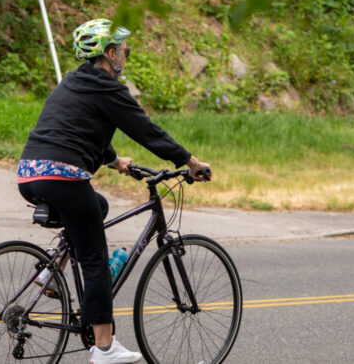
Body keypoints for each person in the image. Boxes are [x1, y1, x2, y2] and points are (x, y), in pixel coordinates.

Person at [17, 18, 211, 364]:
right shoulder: (109, 89)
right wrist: (189, 161)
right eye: (124, 50)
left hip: (30, 175)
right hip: (63, 176)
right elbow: (144, 129)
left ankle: (51, 269)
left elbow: (76, 128)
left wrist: (115, 160)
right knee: (95, 259)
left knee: (97, 207)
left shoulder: (73, 82)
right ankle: (104, 347)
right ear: (110, 54)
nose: (126, 55)